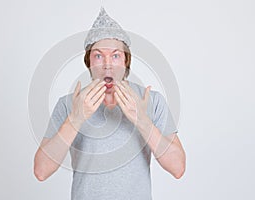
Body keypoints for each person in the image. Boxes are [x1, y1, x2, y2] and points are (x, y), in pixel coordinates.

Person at [34, 7, 186, 200]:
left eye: (115, 55)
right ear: (89, 61)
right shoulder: (68, 104)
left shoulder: (152, 101)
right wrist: (75, 119)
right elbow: (41, 170)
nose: (108, 64)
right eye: (98, 55)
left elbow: (178, 167)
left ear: (126, 61)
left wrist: (142, 120)